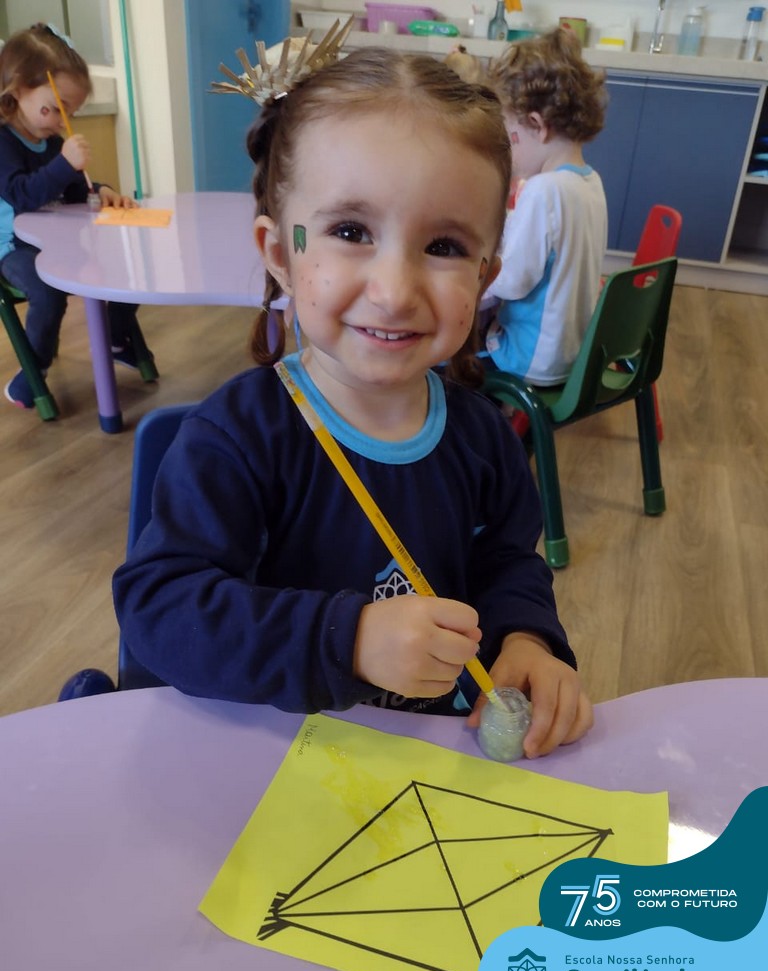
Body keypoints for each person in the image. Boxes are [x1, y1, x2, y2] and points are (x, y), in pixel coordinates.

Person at [112, 45, 592, 758]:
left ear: (486, 273)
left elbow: (507, 564)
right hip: (263, 757)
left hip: (425, 758)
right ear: (281, 253)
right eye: (350, 232)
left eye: (444, 246)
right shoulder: (236, 438)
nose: (394, 292)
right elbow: (160, 611)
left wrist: (526, 639)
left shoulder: (486, 437)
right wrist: (350, 639)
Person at [0, 23, 150, 410]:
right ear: (17, 91)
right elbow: (22, 195)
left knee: (124, 265)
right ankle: (34, 371)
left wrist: (99, 189)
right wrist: (64, 164)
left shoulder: (52, 142)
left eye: (72, 111)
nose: (62, 119)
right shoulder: (3, 141)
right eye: (56, 107)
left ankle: (116, 338)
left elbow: (69, 191)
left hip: (56, 241)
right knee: (48, 291)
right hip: (13, 247)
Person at [480, 27, 608, 387]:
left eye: (511, 137)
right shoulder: (590, 182)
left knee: (464, 341)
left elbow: (512, 282)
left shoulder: (543, 190)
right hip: (573, 353)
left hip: (532, 358)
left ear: (537, 126)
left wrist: (481, 270)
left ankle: (492, 412)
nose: (509, 151)